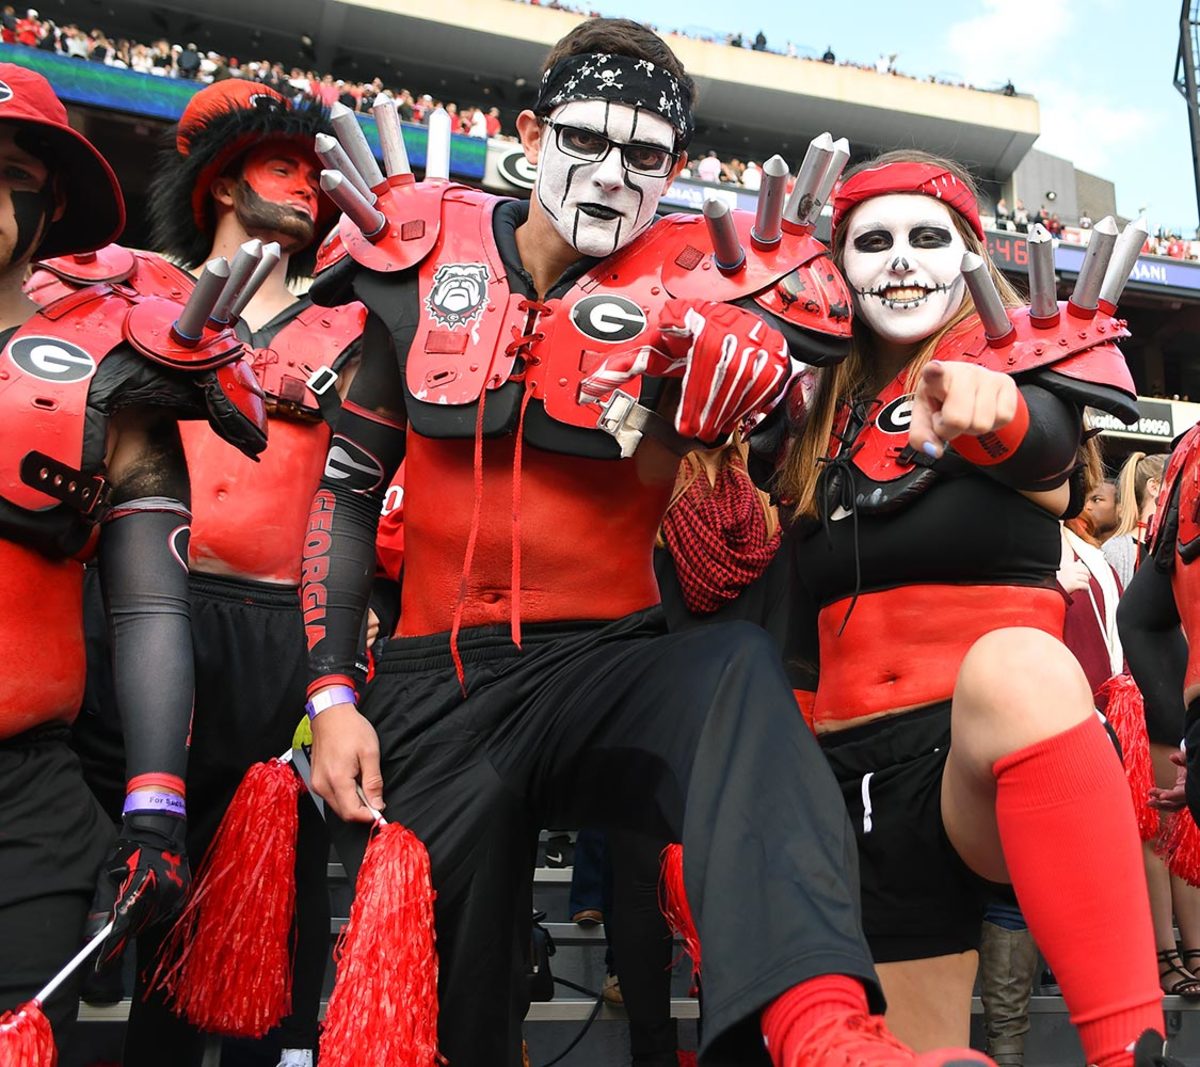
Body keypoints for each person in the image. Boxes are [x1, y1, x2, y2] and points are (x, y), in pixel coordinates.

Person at [303, 17, 992, 1067]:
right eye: (588, 140)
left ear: (676, 168)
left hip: (604, 670)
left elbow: (743, 471)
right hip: (428, 681)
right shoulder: (419, 251)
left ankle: (823, 1026)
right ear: (531, 132)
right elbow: (349, 490)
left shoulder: (700, 284)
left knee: (736, 673)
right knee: (443, 1019)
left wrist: (728, 422)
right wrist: (331, 697)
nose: (614, 173)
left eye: (647, 156)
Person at [759, 149, 1168, 1064]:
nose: (901, 260)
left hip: (974, 768)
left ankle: (1128, 1050)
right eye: (875, 240)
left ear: (973, 254)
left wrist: (996, 409)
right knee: (919, 1050)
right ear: (840, 260)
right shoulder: (810, 408)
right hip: (848, 772)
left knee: (1016, 667)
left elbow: (1052, 451)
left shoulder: (1015, 371)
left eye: (927, 236)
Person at [34, 80, 362, 1067]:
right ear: (222, 184)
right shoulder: (130, 292)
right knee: (64, 908)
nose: (307, 186)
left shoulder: (355, 329)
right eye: (282, 167)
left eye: (316, 174)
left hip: (273, 642)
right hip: (132, 616)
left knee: (218, 953)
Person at [0, 62, 265, 1052]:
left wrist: (154, 814)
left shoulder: (115, 379)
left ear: (50, 201)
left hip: (24, 812)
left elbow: (152, 606)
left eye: (10, 169)